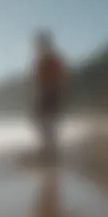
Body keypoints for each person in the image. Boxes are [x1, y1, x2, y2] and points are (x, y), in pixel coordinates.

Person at [31, 30, 66, 161]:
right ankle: (49, 152)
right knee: (46, 127)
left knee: (47, 127)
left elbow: (58, 81)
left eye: (39, 44)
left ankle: (50, 153)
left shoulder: (51, 61)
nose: (37, 47)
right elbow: (38, 83)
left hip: (50, 98)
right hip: (47, 98)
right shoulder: (43, 61)